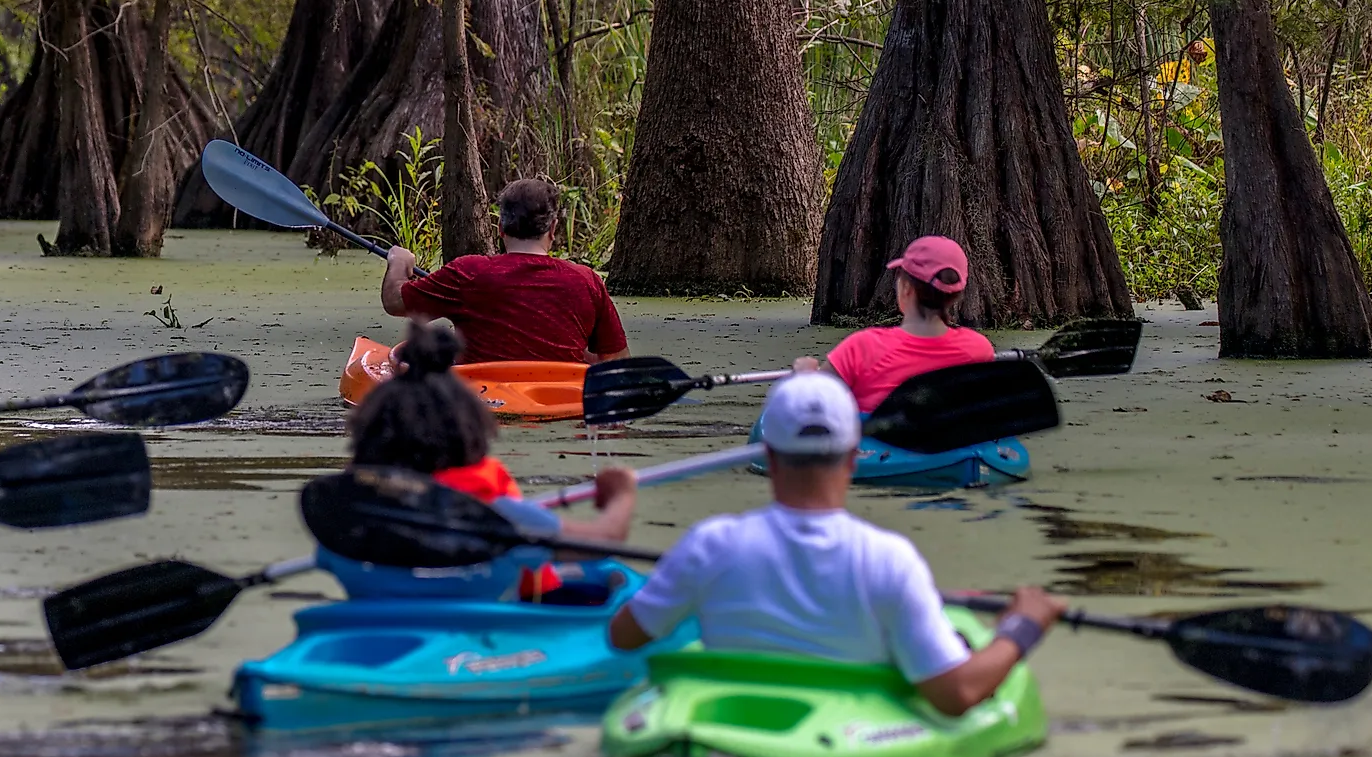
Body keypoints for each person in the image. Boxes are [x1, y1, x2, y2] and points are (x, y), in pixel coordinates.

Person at [610, 371, 1064, 716]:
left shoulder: (709, 544)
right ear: (852, 458)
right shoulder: (889, 559)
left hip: (729, 726)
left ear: (769, 457)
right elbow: (956, 693)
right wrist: (1022, 626)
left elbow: (625, 635)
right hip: (845, 738)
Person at [325, 319, 636, 601]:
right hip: (484, 629)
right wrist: (621, 494)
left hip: (377, 625)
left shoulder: (345, 512)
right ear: (470, 433)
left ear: (367, 435)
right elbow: (606, 540)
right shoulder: (497, 514)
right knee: (612, 579)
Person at [379, 179, 627, 366]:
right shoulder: (586, 280)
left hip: (483, 400)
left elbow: (394, 301)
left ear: (500, 227)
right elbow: (616, 362)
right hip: (562, 399)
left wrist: (399, 261)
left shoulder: (467, 272)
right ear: (553, 229)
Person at [825, 235, 995, 414]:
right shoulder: (979, 349)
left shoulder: (862, 348)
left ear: (906, 288)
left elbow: (814, 400)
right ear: (956, 294)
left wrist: (807, 374)